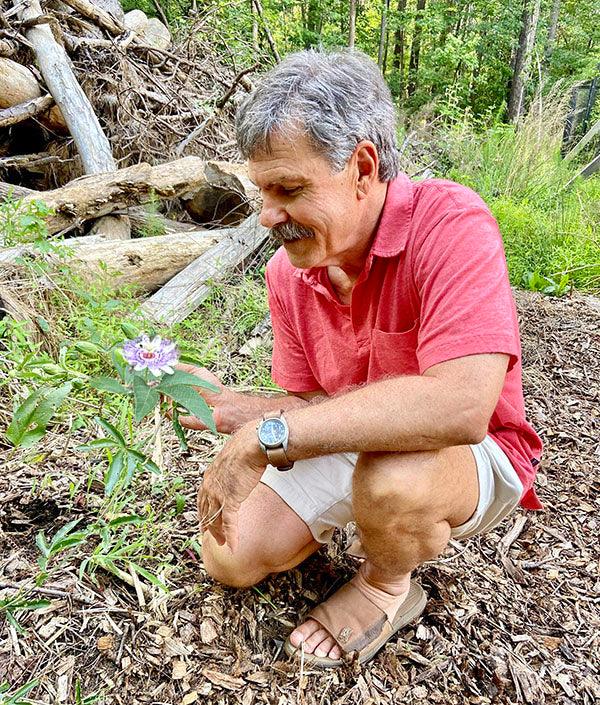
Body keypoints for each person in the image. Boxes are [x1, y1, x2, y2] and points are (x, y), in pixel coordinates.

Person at [179, 49, 543, 669]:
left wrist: (264, 436)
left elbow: (461, 407)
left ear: (363, 167)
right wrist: (241, 410)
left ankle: (387, 585)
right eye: (263, 192)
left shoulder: (450, 224)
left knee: (392, 479)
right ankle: (358, 518)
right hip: (365, 442)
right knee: (230, 553)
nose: (268, 216)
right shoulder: (290, 275)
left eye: (289, 189)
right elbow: (316, 407)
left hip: (477, 455)